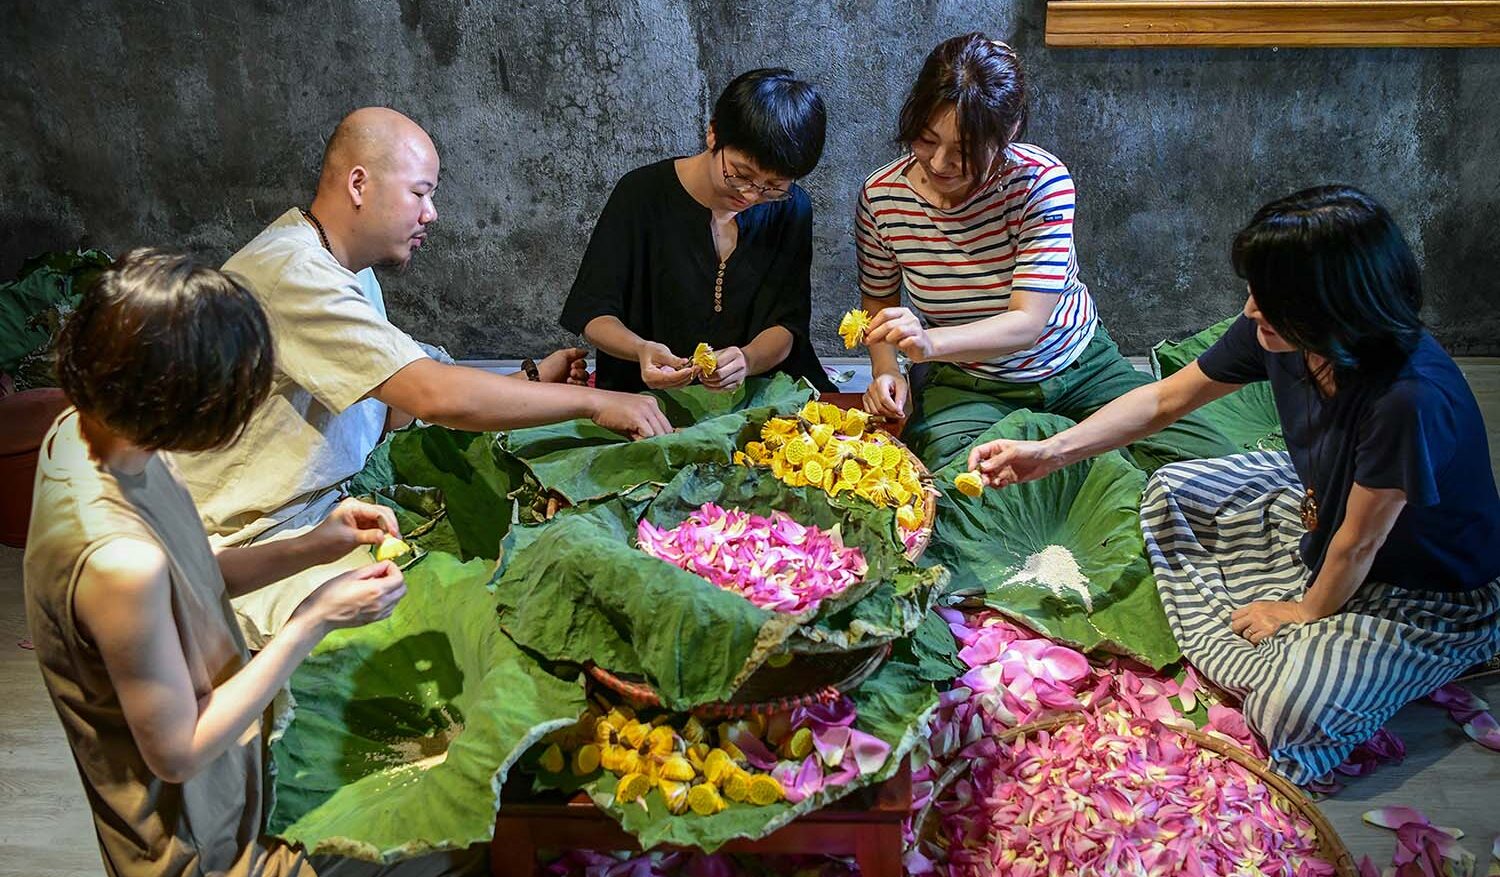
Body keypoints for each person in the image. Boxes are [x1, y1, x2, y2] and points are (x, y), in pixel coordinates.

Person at [968, 186, 1500, 783]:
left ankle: (1453, 646)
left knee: (1293, 708)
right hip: (1320, 512)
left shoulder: (1408, 397)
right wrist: (1050, 452)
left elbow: (1359, 545)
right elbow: (1168, 399)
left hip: (1422, 583)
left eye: (1269, 299)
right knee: (1172, 486)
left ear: (1337, 305)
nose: (1250, 311)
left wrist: (1300, 611)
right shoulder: (1285, 332)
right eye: (1254, 292)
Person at [24, 249, 479, 875]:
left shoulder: (91, 428)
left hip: (236, 779)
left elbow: (190, 574)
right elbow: (178, 751)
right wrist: (313, 620)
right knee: (451, 849)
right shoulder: (118, 564)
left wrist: (313, 544)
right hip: (201, 844)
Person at [173, 107, 672, 644]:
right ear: (359, 184)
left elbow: (397, 397)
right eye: (420, 193)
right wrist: (597, 403)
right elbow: (431, 395)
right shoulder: (293, 274)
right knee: (471, 627)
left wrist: (529, 378)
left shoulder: (341, 266)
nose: (431, 213)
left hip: (329, 511)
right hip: (257, 545)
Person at [855, 34, 1232, 471]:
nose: (938, 164)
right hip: (967, 379)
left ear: (1008, 132)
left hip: (1077, 364)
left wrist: (926, 342)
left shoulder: (1040, 183)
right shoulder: (881, 196)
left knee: (1207, 465)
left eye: (964, 151)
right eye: (924, 139)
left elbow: (1026, 323)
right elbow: (879, 298)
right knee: (959, 484)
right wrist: (887, 369)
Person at [560, 68, 835, 395]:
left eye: (773, 186)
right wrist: (641, 349)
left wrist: (746, 360)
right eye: (740, 174)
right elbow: (594, 313)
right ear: (713, 134)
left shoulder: (790, 208)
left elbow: (788, 324)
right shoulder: (642, 194)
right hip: (646, 394)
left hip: (761, 394)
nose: (750, 196)